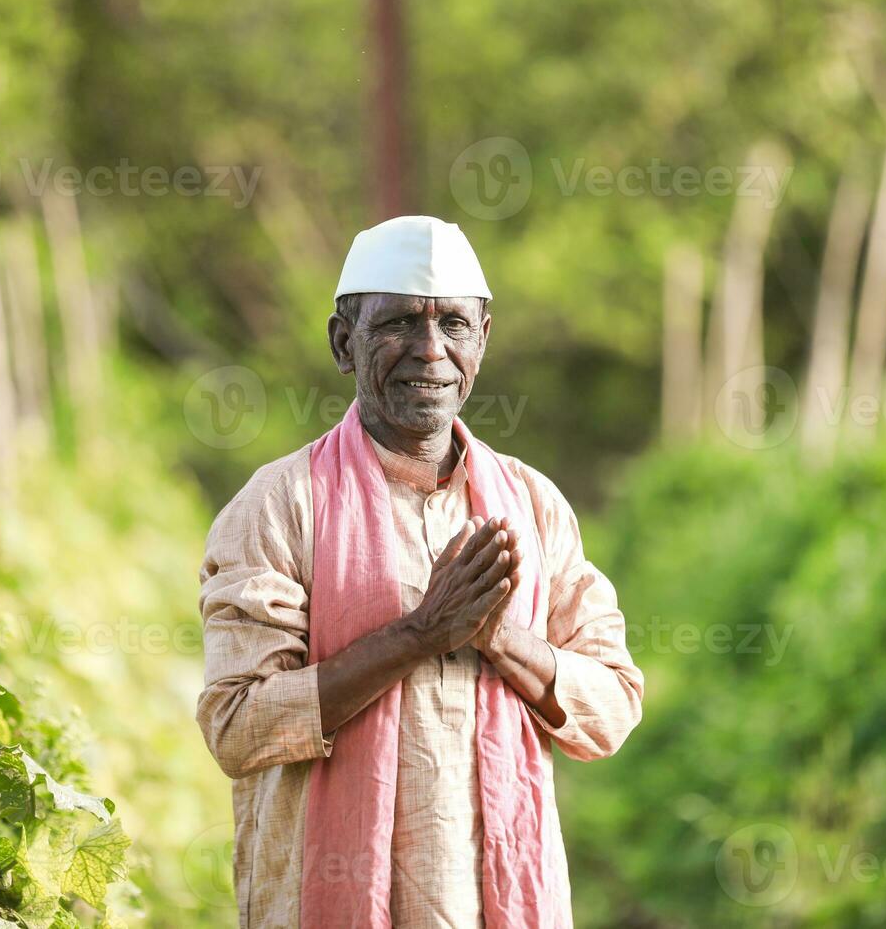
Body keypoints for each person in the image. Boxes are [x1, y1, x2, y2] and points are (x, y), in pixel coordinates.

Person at [196, 215, 645, 928]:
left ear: (484, 341)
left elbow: (612, 709)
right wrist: (415, 636)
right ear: (345, 344)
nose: (430, 351)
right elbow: (237, 726)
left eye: (454, 326)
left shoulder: (532, 503)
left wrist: (503, 640)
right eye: (401, 323)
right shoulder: (280, 506)